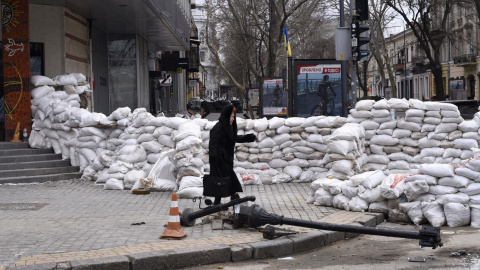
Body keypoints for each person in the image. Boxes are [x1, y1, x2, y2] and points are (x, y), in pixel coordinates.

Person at [208, 104, 256, 205]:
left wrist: (248, 138)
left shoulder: (228, 128)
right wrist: (214, 159)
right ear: (226, 116)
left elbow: (234, 138)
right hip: (219, 160)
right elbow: (213, 143)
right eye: (231, 117)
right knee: (230, 179)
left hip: (226, 159)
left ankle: (218, 203)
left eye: (234, 117)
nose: (233, 119)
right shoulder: (219, 127)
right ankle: (235, 199)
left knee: (221, 181)